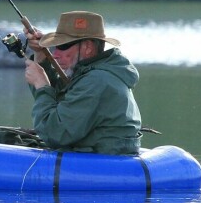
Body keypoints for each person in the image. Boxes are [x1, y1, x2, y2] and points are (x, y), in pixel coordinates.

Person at [21, 11, 142, 155]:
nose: (55, 54)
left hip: (102, 164)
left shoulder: (96, 81)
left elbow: (54, 134)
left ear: (88, 48)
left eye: (63, 46)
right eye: (55, 47)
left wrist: (42, 86)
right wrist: (40, 55)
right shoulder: (95, 74)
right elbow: (62, 99)